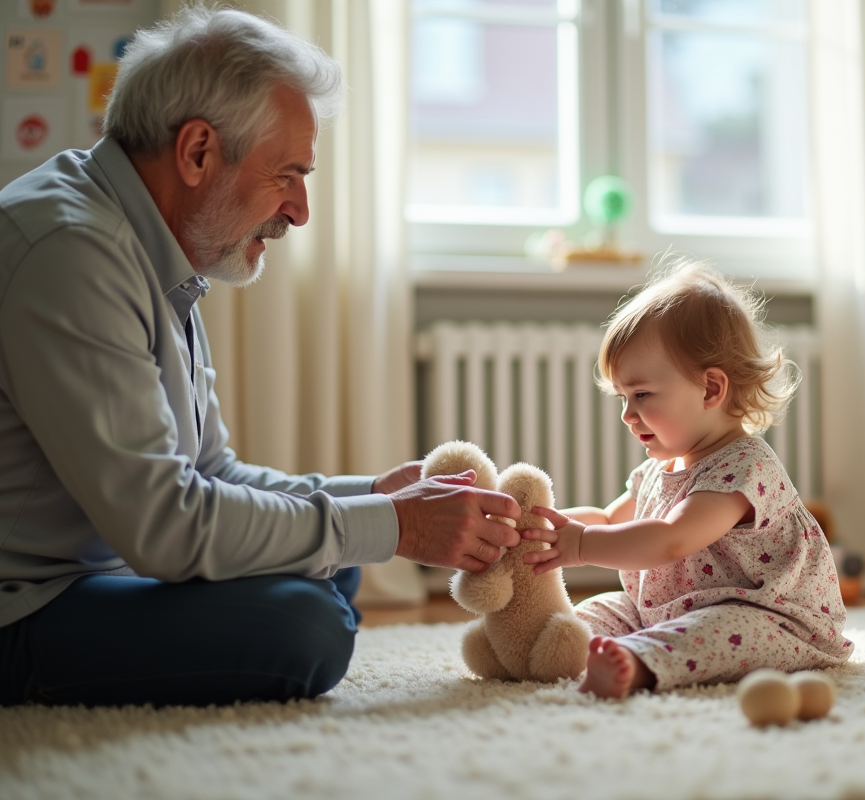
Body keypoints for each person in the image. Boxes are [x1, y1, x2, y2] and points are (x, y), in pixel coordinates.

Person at [0, 6, 521, 708]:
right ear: (197, 152)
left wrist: (376, 499)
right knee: (303, 624)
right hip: (23, 608)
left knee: (330, 564)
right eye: (287, 175)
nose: (300, 211)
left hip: (100, 569)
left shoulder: (151, 251)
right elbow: (166, 526)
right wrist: (396, 525)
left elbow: (212, 473)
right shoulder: (73, 254)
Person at [520, 262, 854, 698]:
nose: (627, 414)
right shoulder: (660, 468)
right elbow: (606, 519)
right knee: (591, 614)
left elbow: (672, 538)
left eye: (641, 395)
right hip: (660, 611)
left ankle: (637, 666)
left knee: (718, 630)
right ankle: (546, 653)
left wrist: (579, 547)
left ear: (711, 390)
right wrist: (541, 527)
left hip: (771, 618)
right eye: (623, 398)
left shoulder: (745, 467)